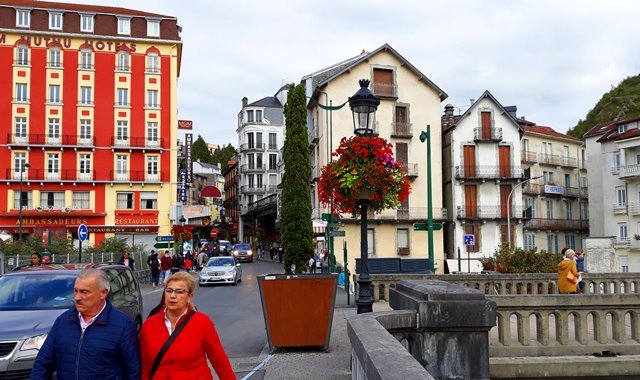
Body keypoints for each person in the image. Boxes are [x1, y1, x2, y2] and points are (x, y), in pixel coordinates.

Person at [30, 269, 140, 379]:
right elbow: (43, 363)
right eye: (75, 291)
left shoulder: (123, 325)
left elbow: (132, 370)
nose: (77, 297)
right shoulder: (63, 321)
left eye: (84, 292)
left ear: (103, 293)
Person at [140, 272, 234, 379]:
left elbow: (219, 360)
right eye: (169, 291)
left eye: (179, 292)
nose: (173, 296)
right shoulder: (149, 325)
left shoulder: (202, 322)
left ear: (189, 297)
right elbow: (146, 366)